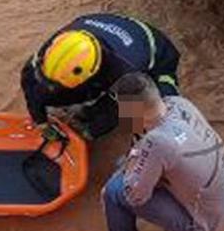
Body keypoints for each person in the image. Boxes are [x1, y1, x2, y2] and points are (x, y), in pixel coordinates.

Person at [87, 71, 224, 231]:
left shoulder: (157, 142)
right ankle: (181, 230)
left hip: (202, 224)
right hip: (220, 205)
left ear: (130, 110)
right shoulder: (179, 103)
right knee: (133, 167)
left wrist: (130, 167)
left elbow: (135, 195)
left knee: (114, 191)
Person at [21, 13, 181, 140]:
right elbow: (29, 80)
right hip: (105, 28)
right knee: (52, 92)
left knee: (159, 114)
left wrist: (90, 131)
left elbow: (123, 112)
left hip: (157, 53)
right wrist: (40, 121)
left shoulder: (125, 72)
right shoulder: (57, 48)